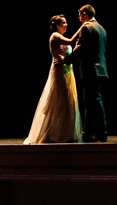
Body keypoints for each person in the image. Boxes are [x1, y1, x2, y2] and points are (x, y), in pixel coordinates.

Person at [23, 14, 83, 144]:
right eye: (63, 23)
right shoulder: (55, 36)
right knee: (61, 99)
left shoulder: (61, 36)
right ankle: (56, 133)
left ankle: (66, 131)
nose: (66, 24)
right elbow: (71, 41)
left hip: (67, 71)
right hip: (59, 72)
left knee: (69, 101)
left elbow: (70, 49)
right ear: (57, 25)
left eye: (66, 22)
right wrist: (83, 27)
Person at [64, 4, 108, 141]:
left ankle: (97, 132)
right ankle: (93, 132)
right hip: (101, 69)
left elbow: (81, 49)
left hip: (91, 70)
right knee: (94, 101)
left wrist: (66, 60)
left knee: (91, 102)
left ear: (85, 14)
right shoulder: (102, 29)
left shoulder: (87, 27)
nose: (79, 19)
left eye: (79, 15)